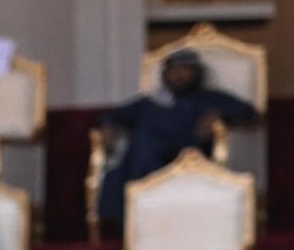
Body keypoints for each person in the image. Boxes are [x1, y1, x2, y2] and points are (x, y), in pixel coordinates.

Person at [97, 48, 259, 228]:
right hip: (149, 159)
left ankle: (137, 215)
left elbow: (249, 113)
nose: (177, 75)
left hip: (190, 156)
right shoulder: (151, 102)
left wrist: (219, 114)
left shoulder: (211, 98)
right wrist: (108, 126)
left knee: (145, 142)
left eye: (184, 69)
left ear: (196, 72)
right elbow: (113, 114)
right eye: (172, 70)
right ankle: (134, 219)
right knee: (141, 143)